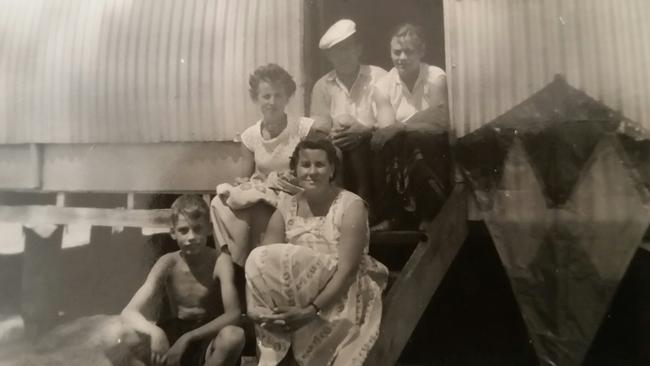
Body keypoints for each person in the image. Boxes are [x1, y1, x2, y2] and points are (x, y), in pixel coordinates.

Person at [245, 138, 388, 366]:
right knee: (259, 255)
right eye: (305, 165)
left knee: (294, 256)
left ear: (332, 169)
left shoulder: (351, 206)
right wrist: (253, 309)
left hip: (341, 292)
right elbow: (259, 263)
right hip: (298, 293)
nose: (312, 172)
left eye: (320, 165)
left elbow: (347, 271)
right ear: (295, 169)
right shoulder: (286, 205)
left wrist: (310, 311)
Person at [211, 63, 326, 268]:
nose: (272, 102)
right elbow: (244, 177)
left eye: (278, 95)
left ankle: (250, 267)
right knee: (219, 203)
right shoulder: (250, 136)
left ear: (287, 97)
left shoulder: (302, 128)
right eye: (266, 96)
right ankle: (236, 262)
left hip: (296, 194)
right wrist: (245, 182)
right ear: (256, 98)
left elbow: (319, 165)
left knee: (260, 212)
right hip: (265, 195)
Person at [122, 195, 245, 366]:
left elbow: (233, 314)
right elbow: (129, 312)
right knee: (122, 334)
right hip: (172, 335)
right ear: (173, 232)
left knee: (234, 335)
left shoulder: (220, 261)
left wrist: (188, 338)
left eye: (197, 228)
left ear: (209, 229)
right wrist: (155, 332)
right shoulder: (168, 262)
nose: (191, 236)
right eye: (183, 230)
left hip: (206, 338)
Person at [371, 23, 452, 230]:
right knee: (384, 143)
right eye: (397, 52)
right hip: (401, 148)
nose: (402, 58)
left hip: (433, 146)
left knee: (418, 139)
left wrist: (403, 126)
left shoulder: (435, 76)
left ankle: (429, 214)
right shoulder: (383, 86)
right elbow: (387, 128)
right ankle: (391, 216)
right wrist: (408, 126)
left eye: (409, 51)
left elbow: (439, 118)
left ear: (422, 51)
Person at [310, 19, 393, 216]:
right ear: (330, 56)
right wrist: (338, 134)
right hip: (338, 147)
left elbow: (389, 121)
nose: (343, 56)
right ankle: (338, 207)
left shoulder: (379, 76)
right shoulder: (322, 86)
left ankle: (367, 205)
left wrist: (363, 131)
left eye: (347, 49)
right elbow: (320, 127)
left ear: (358, 49)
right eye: (337, 51)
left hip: (374, 146)